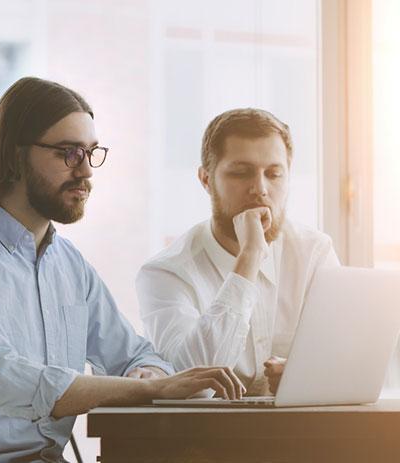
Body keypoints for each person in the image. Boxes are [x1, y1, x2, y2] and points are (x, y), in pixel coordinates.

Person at [0, 77, 243, 462]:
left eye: (91, 153)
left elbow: (134, 355)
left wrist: (148, 374)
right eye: (69, 153)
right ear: (15, 156)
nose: (86, 172)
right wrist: (150, 391)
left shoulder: (69, 265)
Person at [136, 108, 339, 397]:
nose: (260, 189)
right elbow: (190, 386)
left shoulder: (314, 253)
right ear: (206, 179)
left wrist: (305, 376)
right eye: (241, 173)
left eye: (274, 174)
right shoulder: (165, 273)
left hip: (301, 432)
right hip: (203, 439)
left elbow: (343, 360)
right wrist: (250, 257)